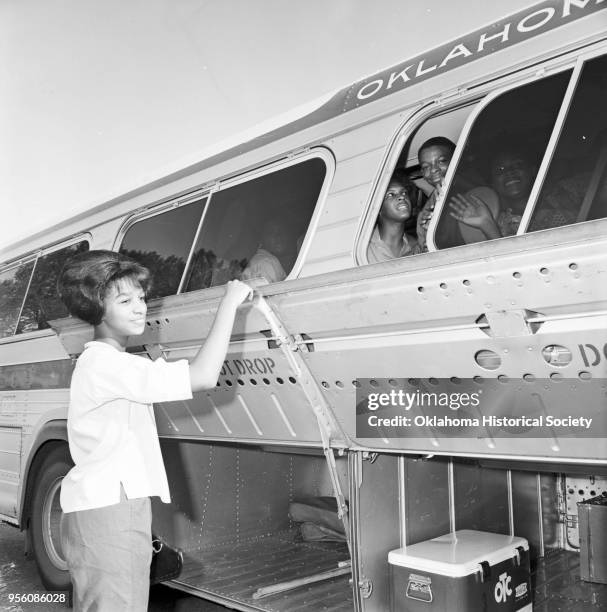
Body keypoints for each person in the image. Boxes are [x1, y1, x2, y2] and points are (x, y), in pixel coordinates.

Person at [57, 250, 252, 611]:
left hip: (99, 509)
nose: (139, 308)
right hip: (111, 512)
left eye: (142, 298)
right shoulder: (107, 364)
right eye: (125, 300)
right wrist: (230, 303)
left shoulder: (101, 363)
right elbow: (203, 375)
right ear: (94, 306)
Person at [449, 147, 576, 242]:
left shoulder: (567, 190)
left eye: (517, 165)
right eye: (500, 170)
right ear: (493, 182)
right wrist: (486, 224)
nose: (509, 172)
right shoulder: (499, 224)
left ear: (532, 170)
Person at [367, 170, 421, 263]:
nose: (402, 197)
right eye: (391, 194)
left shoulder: (416, 247)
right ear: (377, 208)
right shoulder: (364, 245)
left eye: (404, 193)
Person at [241, 218, 288, 283]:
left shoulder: (264, 260)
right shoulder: (265, 262)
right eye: (271, 232)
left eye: (280, 232)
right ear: (261, 239)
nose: (278, 237)